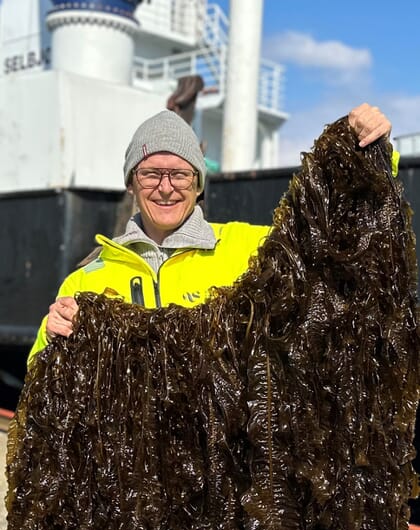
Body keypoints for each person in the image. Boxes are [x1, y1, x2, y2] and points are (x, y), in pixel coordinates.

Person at [27, 102, 394, 360]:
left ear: (199, 183)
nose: (166, 187)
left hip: (222, 464)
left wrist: (370, 148)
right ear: (131, 184)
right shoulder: (86, 279)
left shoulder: (250, 248)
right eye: (151, 173)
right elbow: (42, 376)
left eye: (180, 174)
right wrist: (51, 331)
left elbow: (335, 242)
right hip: (131, 467)